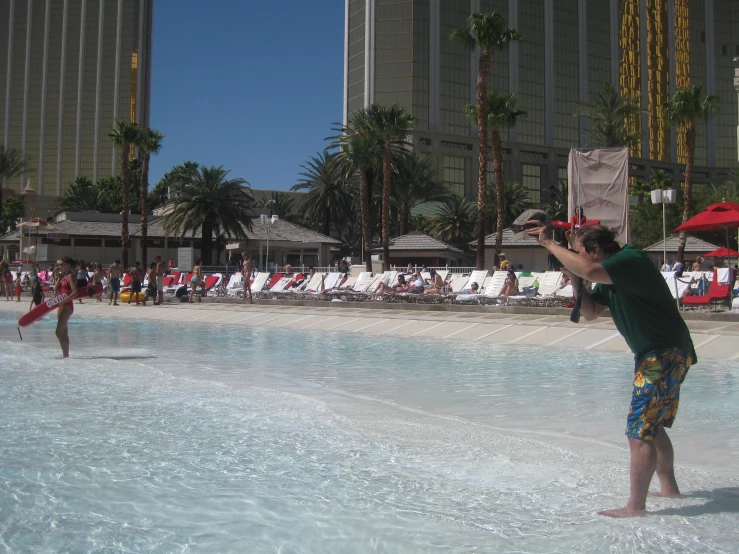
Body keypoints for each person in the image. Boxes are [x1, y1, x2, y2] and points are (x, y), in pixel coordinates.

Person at [526, 222, 696, 518]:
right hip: (661, 352)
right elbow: (591, 313)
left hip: (662, 353)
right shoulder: (612, 276)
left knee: (638, 430)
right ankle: (669, 489)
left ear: (594, 250)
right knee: (650, 425)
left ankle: (635, 507)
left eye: (580, 253)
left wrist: (551, 245)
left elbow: (589, 270)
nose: (578, 258)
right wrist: (573, 273)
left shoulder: (631, 260)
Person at [54, 256, 78, 357]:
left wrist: (63, 301)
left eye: (62, 264)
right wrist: (59, 279)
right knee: (63, 332)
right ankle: (65, 355)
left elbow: (76, 292)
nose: (60, 266)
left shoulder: (70, 276)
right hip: (61, 305)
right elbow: (56, 291)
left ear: (68, 266)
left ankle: (65, 355)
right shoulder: (63, 277)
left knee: (58, 332)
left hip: (67, 305)